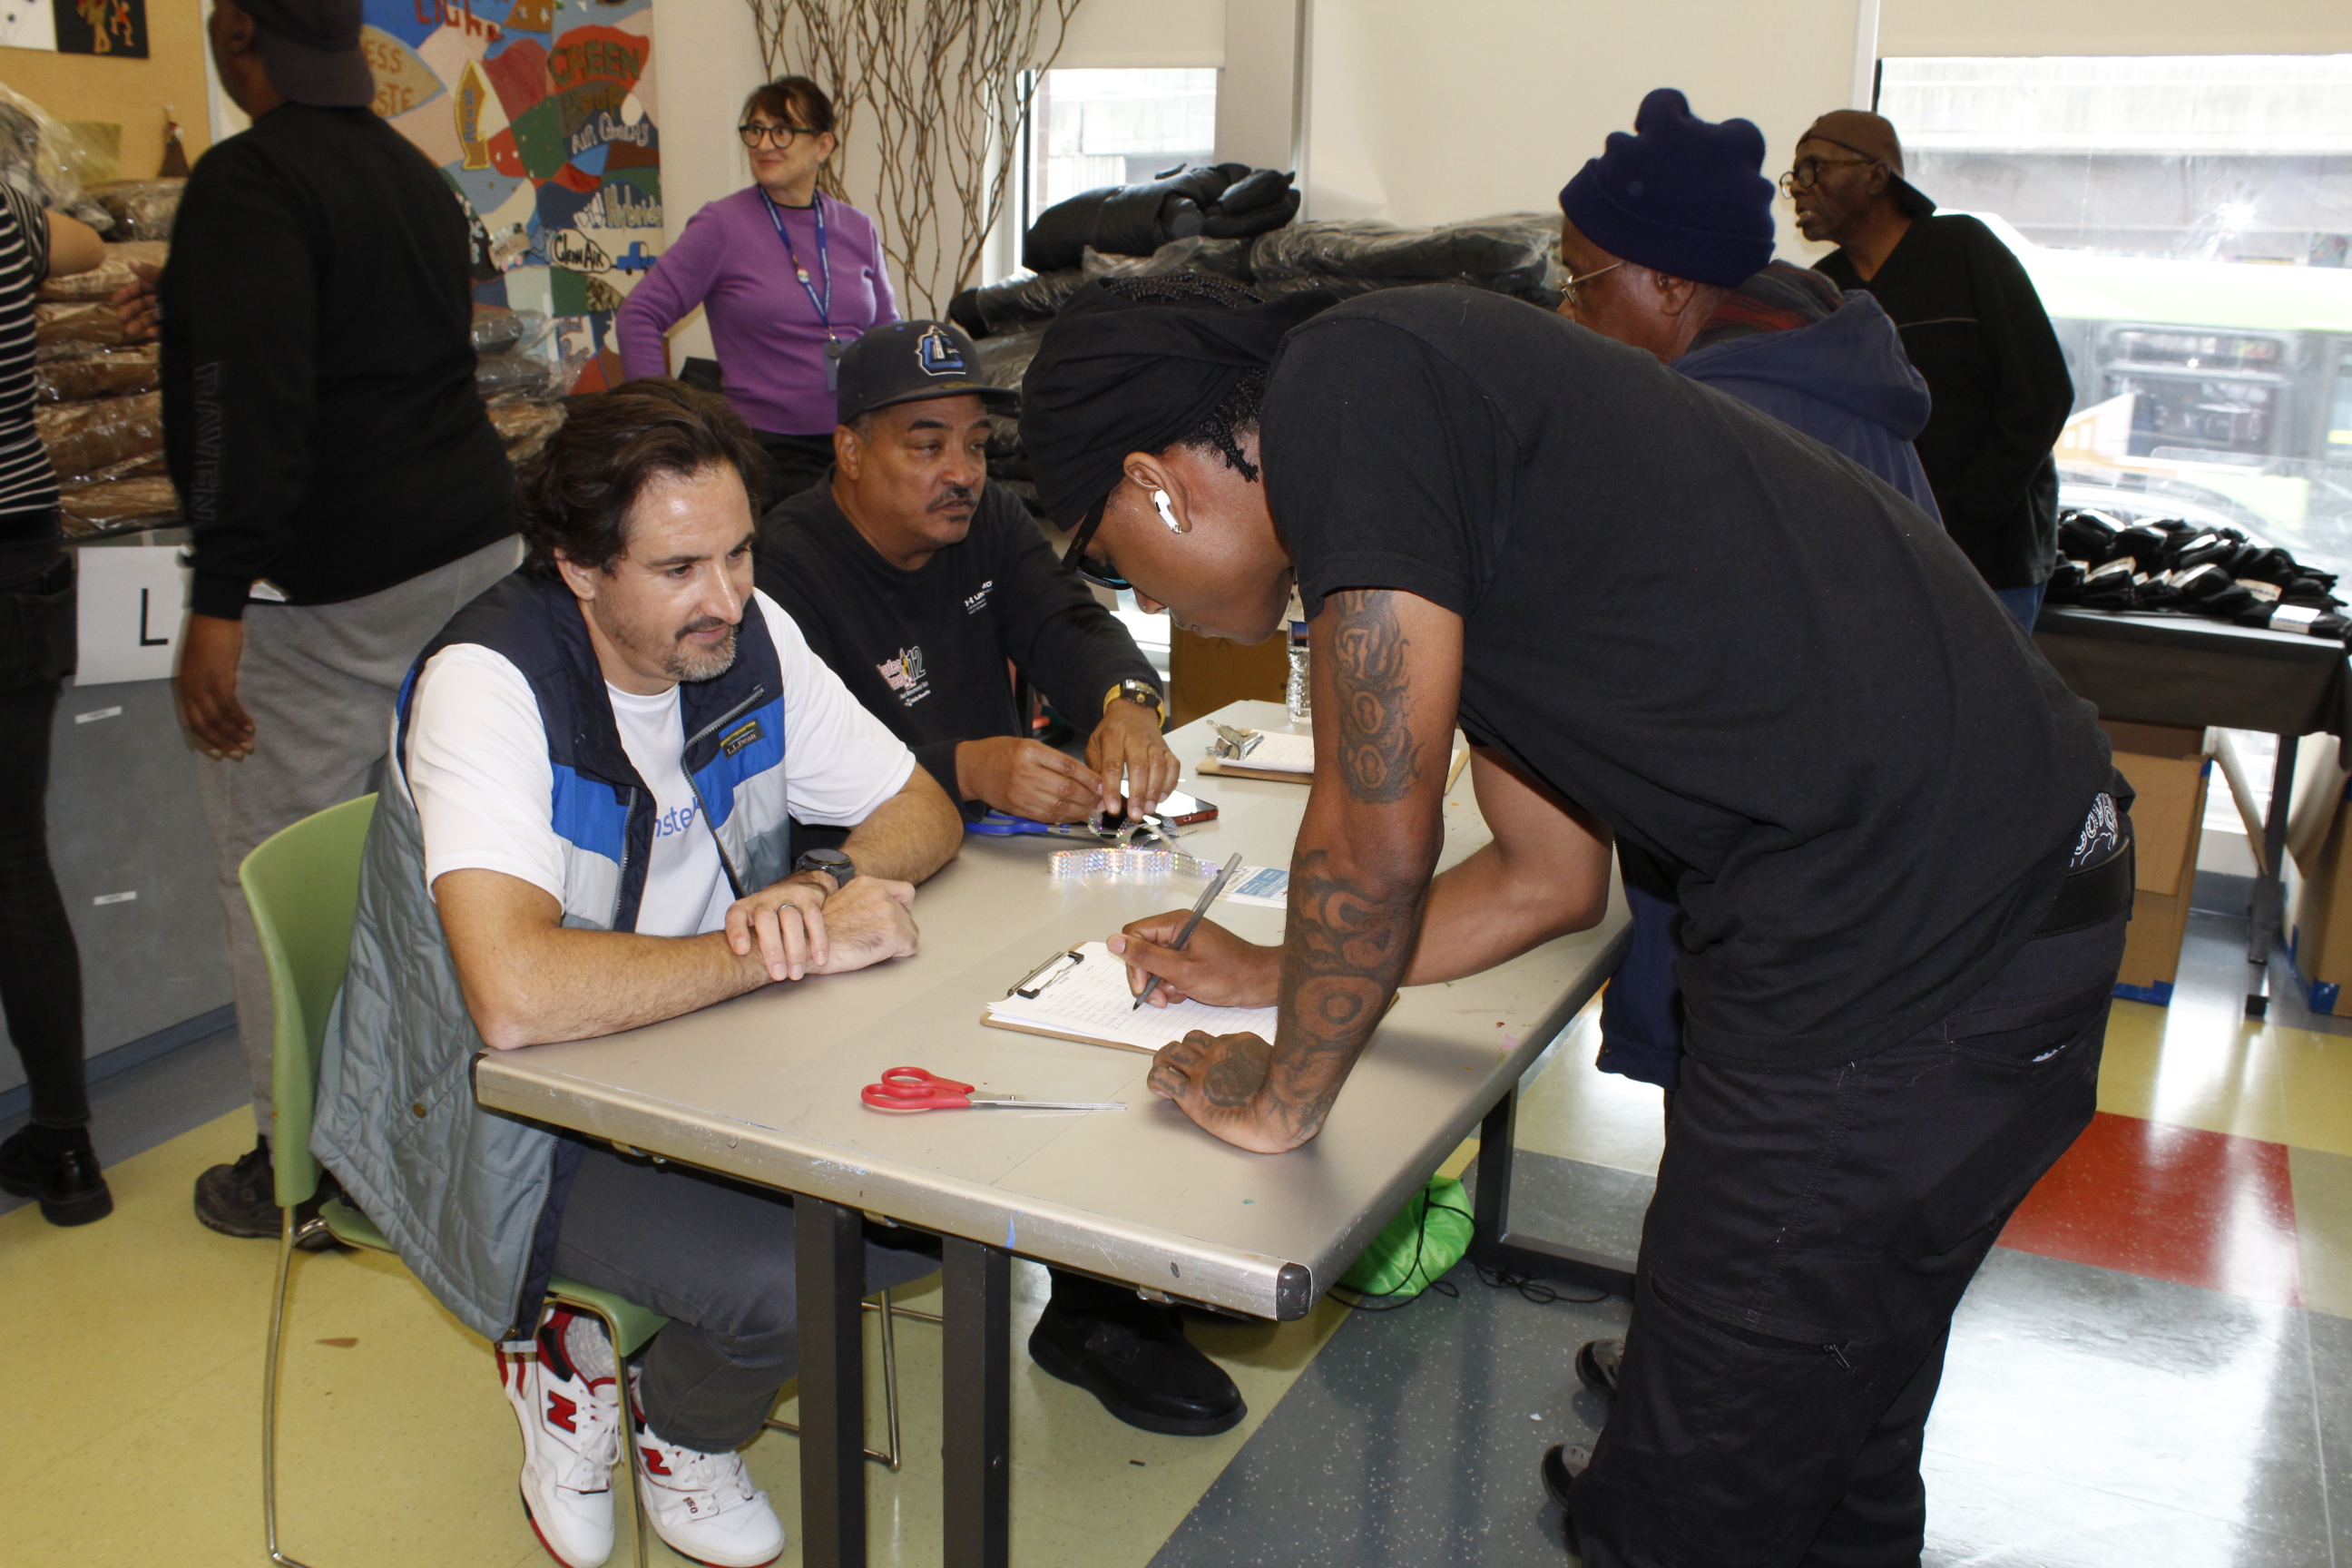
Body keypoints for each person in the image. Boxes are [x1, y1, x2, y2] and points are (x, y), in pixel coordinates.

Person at [1019, 273, 2132, 1566]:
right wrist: (1271, 971)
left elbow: (1373, 841)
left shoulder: (1351, 391)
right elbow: (1544, 881)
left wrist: (1285, 1099)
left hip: (1909, 954)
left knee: (1684, 1509)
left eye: (1114, 563)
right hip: (1993, 906)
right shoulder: (1438, 464)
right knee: (1837, 1439)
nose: (1149, 605)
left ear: (1157, 482)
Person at [310, 382, 964, 1568]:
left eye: (739, 553)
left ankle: (670, 1400)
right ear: (576, 566)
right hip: (494, 1105)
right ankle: (623, 1391)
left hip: (695, 1053)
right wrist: (755, 952)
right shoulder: (492, 686)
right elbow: (513, 998)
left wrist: (818, 890)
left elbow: (918, 806)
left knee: (935, 1221)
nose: (723, 599)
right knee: (791, 1277)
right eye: (677, 569)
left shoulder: (744, 632)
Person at [756, 320, 1244, 1439]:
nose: (961, 473)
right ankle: (1097, 1308)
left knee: (1128, 994)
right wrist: (957, 767)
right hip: (870, 896)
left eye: (973, 443)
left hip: (1004, 863)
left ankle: (1120, 1279)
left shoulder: (991, 524)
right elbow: (786, 767)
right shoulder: (784, 570)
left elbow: (1067, 621)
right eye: (925, 444)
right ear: (847, 450)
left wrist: (1125, 701)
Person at [1553, 87, 1952, 1402]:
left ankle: (1700, 1422)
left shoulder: (1738, 433)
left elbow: (1702, 713)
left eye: (1581, 281)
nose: (1568, 314)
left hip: (1812, 903)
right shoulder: (1823, 374)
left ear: (1666, 286)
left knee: (1755, 1194)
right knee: (1746, 1184)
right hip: (1836, 876)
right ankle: (1695, 1369)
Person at [121, 0, 524, 1240]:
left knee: (277, 871)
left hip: (331, 583)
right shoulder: (411, 171)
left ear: (238, 38)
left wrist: (217, 598)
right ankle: (452, 1112)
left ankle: (300, 1161)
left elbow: (248, 400)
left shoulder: (250, 180)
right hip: (466, 549)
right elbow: (362, 346)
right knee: (443, 854)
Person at [1791, 108, 2076, 630]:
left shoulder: (1964, 248)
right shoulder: (1821, 289)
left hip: (1990, 560)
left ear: (1876, 176)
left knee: (1984, 709)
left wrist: (1959, 516)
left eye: (1814, 169)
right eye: (1796, 176)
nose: (1798, 189)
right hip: (1879, 560)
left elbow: (2042, 395)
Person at [619, 75, 897, 508]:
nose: (765, 144)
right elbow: (639, 316)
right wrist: (663, 420)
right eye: (755, 130)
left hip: (858, 440)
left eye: (782, 130)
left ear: (823, 145)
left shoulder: (857, 227)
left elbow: (887, 334)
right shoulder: (722, 225)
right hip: (769, 453)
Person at [0, 188, 111, 1226]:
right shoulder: (3, 206)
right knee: (15, 859)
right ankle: (67, 1142)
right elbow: (83, 245)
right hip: (19, 548)